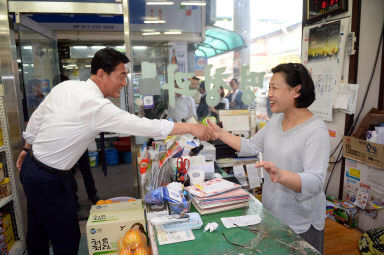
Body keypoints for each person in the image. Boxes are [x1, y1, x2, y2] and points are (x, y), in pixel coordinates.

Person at [16, 47, 214, 255]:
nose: (124, 82)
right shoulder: (96, 106)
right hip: (49, 180)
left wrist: (26, 147)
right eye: (121, 76)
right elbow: (146, 126)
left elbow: (38, 117)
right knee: (67, 237)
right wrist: (192, 128)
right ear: (101, 74)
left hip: (32, 168)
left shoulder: (66, 87)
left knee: (37, 233)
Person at [208, 63, 330, 253]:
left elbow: (315, 181)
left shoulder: (316, 130)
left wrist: (281, 175)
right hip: (274, 215)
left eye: (275, 88)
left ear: (296, 91)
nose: (269, 94)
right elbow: (251, 146)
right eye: (269, 88)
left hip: (302, 222)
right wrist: (220, 133)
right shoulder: (275, 121)